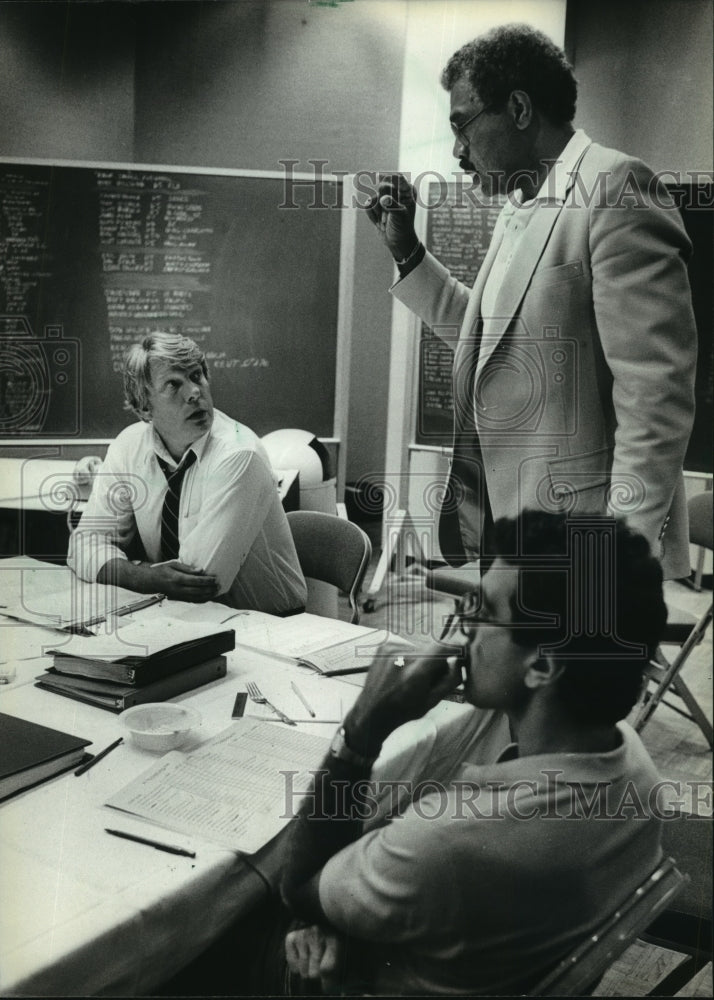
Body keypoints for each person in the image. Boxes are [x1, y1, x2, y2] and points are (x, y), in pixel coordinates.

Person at [280, 509, 668, 995]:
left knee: (253, 922)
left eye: (483, 612)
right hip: (503, 952)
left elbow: (300, 886)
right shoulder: (633, 763)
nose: (463, 626)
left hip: (379, 975)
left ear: (543, 664)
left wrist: (363, 728)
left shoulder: (445, 843)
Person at [367, 23, 697, 581]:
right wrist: (408, 252)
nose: (457, 149)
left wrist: (615, 562)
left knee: (580, 671)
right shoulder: (522, 205)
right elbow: (494, 341)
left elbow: (655, 397)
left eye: (462, 123)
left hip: (584, 536)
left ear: (519, 109)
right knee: (513, 671)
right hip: (510, 519)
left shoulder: (613, 188)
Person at [67, 332, 307, 615]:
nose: (194, 392)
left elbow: (199, 581)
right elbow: (82, 544)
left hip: (269, 627)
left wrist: (123, 569)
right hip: (179, 616)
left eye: (197, 376)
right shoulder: (128, 446)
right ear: (145, 406)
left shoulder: (240, 455)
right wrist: (146, 577)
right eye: (174, 384)